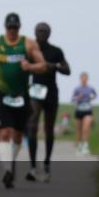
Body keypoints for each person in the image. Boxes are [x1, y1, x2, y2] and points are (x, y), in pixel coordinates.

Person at [0, 13, 48, 189]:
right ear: (5, 27)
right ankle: (8, 170)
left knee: (17, 135)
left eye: (15, 28)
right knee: (3, 133)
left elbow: (43, 65)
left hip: (21, 95)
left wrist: (30, 66)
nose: (12, 31)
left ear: (19, 28)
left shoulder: (28, 43)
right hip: (1, 93)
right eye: (9, 28)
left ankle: (10, 164)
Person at [25, 22, 71, 182]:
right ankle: (32, 165)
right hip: (35, 92)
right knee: (32, 125)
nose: (42, 33)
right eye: (39, 31)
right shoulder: (30, 50)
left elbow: (68, 70)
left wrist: (55, 66)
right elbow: (23, 68)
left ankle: (46, 162)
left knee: (48, 129)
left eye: (45, 31)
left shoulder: (56, 51)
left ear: (49, 33)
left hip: (51, 93)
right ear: (35, 32)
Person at [72, 72, 97, 155]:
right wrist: (78, 97)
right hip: (79, 110)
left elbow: (95, 95)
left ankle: (85, 145)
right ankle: (79, 145)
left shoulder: (90, 88)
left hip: (88, 110)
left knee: (86, 128)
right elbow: (72, 99)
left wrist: (91, 97)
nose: (84, 80)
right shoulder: (77, 89)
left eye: (85, 78)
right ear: (80, 79)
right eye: (82, 78)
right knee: (79, 129)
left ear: (87, 79)